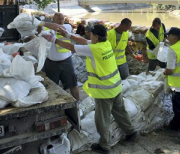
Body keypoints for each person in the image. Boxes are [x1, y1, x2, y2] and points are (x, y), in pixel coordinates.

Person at [43, 24, 138, 154]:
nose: (89, 36)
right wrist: (67, 35)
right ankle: (131, 132)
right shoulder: (106, 44)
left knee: (102, 119)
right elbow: (83, 41)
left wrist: (54, 40)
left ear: (96, 36)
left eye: (91, 34)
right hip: (116, 86)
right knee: (120, 111)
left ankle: (105, 146)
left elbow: (72, 47)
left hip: (104, 91)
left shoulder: (93, 49)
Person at [39, 12, 80, 101]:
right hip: (51, 63)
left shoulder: (67, 27)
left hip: (66, 61)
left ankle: (78, 103)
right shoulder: (46, 29)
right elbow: (39, 32)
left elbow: (58, 28)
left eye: (62, 19)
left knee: (73, 84)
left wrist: (43, 23)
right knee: (52, 86)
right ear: (53, 20)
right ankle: (54, 103)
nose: (61, 21)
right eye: (59, 19)